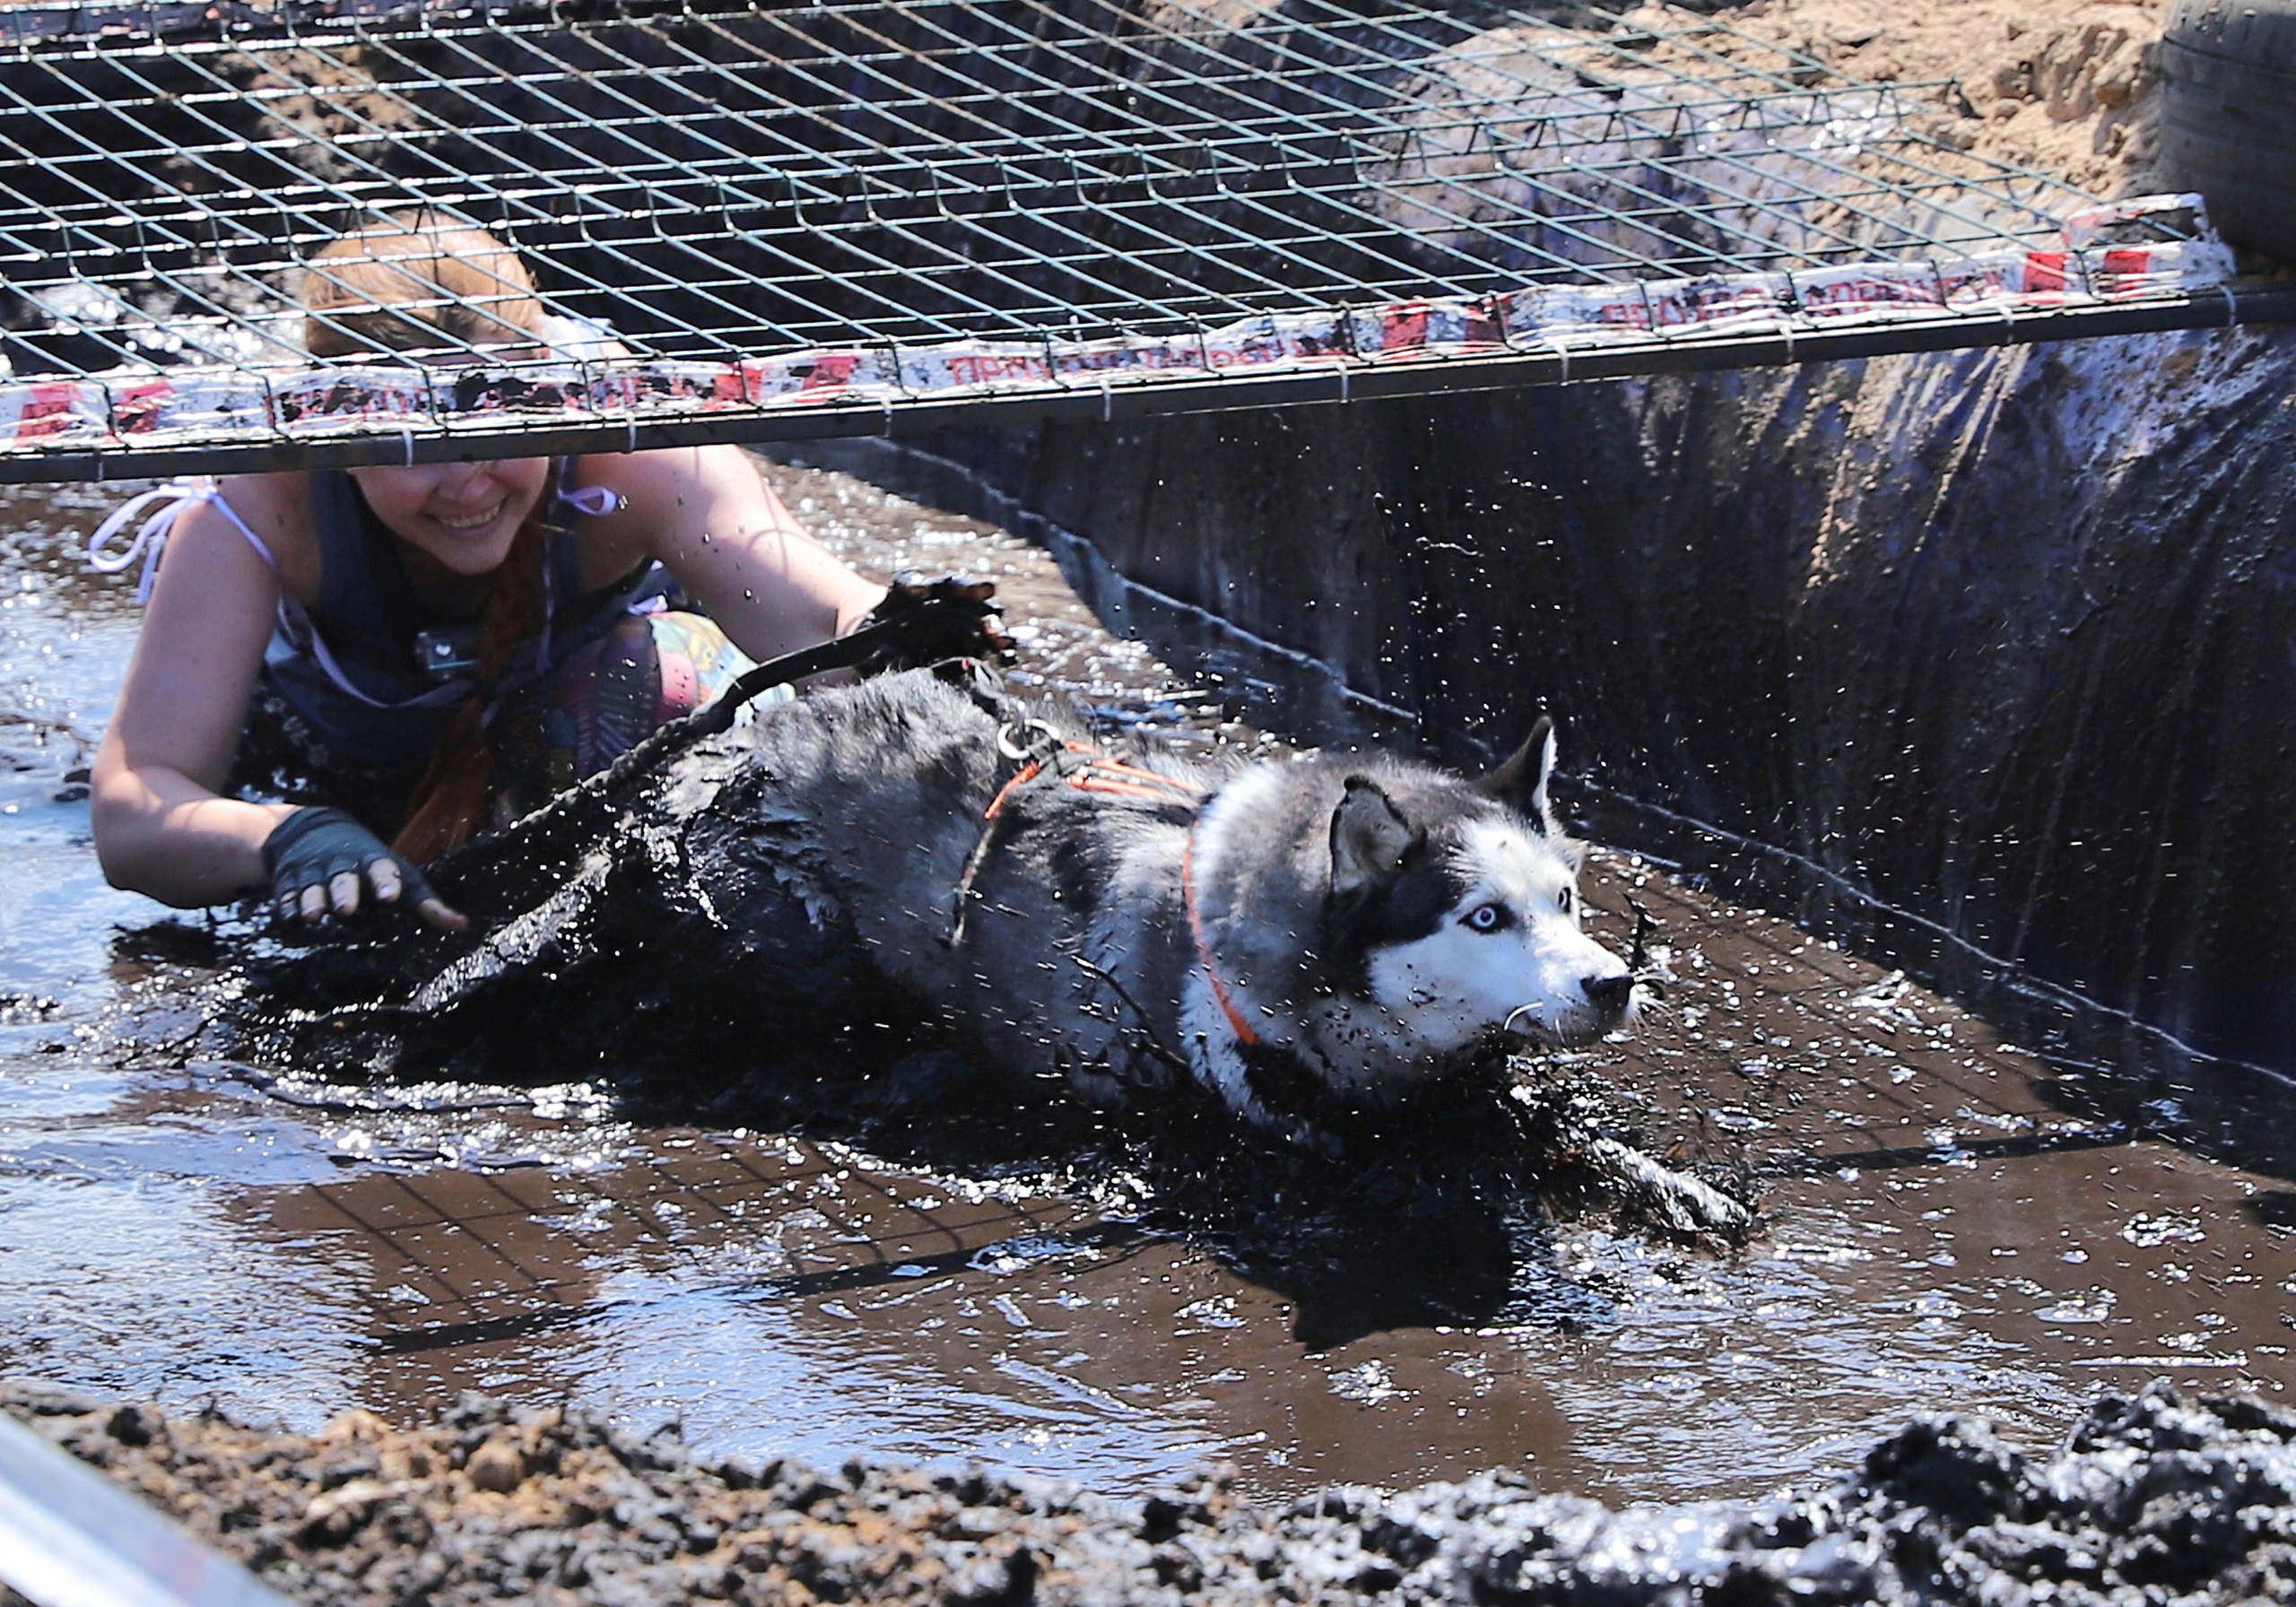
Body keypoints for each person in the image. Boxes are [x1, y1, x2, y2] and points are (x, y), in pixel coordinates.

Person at [90, 212, 918, 934]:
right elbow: (133, 813)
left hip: (572, 722)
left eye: (498, 434)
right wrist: (283, 836)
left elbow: (821, 624)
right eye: (418, 452)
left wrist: (901, 629)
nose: (468, 484)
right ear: (337, 445)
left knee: (669, 676)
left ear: (550, 399)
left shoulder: (635, 447)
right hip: (341, 757)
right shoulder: (263, 504)